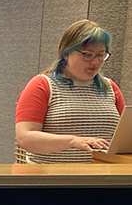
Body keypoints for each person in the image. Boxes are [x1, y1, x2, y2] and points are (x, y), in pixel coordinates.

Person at [16, 19, 125, 163]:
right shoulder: (42, 85)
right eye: (88, 55)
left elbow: (125, 136)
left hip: (102, 179)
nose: (96, 62)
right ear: (66, 54)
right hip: (51, 180)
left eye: (101, 55)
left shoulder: (110, 87)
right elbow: (25, 138)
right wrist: (72, 141)